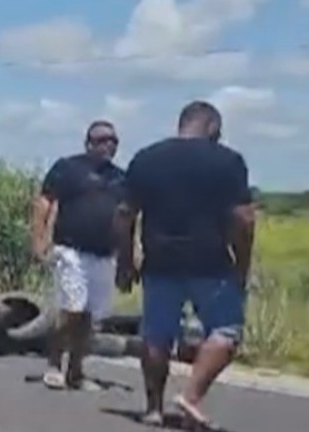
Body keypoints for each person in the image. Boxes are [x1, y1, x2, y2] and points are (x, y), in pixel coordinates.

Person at [116, 101, 257, 430]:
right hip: (210, 261)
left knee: (157, 335)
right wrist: (242, 265)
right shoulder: (228, 160)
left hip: (160, 260)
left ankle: (153, 408)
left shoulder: (146, 158)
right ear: (211, 127)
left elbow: (124, 214)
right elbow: (243, 219)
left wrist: (125, 260)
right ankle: (190, 397)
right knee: (225, 331)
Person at [30, 119, 125, 391]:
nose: (108, 145)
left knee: (90, 317)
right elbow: (44, 202)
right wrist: (39, 241)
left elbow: (128, 217)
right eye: (102, 139)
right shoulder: (68, 168)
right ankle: (53, 363)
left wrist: (131, 254)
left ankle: (76, 371)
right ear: (88, 143)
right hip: (71, 250)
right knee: (72, 308)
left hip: (104, 255)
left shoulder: (120, 177)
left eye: (113, 141)